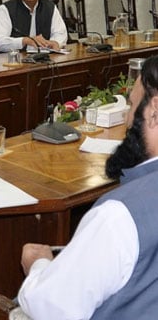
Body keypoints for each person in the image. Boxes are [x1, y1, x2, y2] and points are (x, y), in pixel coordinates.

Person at [16, 55, 158, 319]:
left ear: (153, 112)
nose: (128, 119)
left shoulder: (118, 217)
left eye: (132, 106)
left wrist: (39, 266)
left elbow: (51, 309)